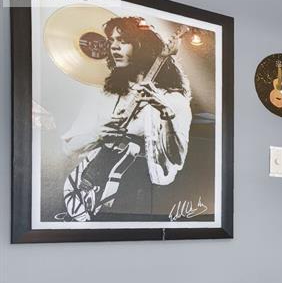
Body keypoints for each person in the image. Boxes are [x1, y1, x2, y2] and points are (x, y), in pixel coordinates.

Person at [60, 17, 192, 220]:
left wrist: (166, 114)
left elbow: (177, 158)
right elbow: (69, 148)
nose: (114, 47)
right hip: (87, 184)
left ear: (144, 47)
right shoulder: (102, 94)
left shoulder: (173, 100)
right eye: (111, 41)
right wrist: (97, 135)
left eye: (123, 41)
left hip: (138, 198)